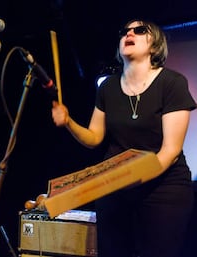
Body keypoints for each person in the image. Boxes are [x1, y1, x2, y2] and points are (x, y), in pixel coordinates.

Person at [51, 19, 196, 257]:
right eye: (124, 31)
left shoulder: (172, 83)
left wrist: (129, 178)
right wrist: (68, 122)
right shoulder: (107, 87)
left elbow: (169, 152)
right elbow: (94, 138)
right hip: (117, 184)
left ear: (155, 45)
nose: (129, 34)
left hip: (164, 188)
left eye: (139, 31)